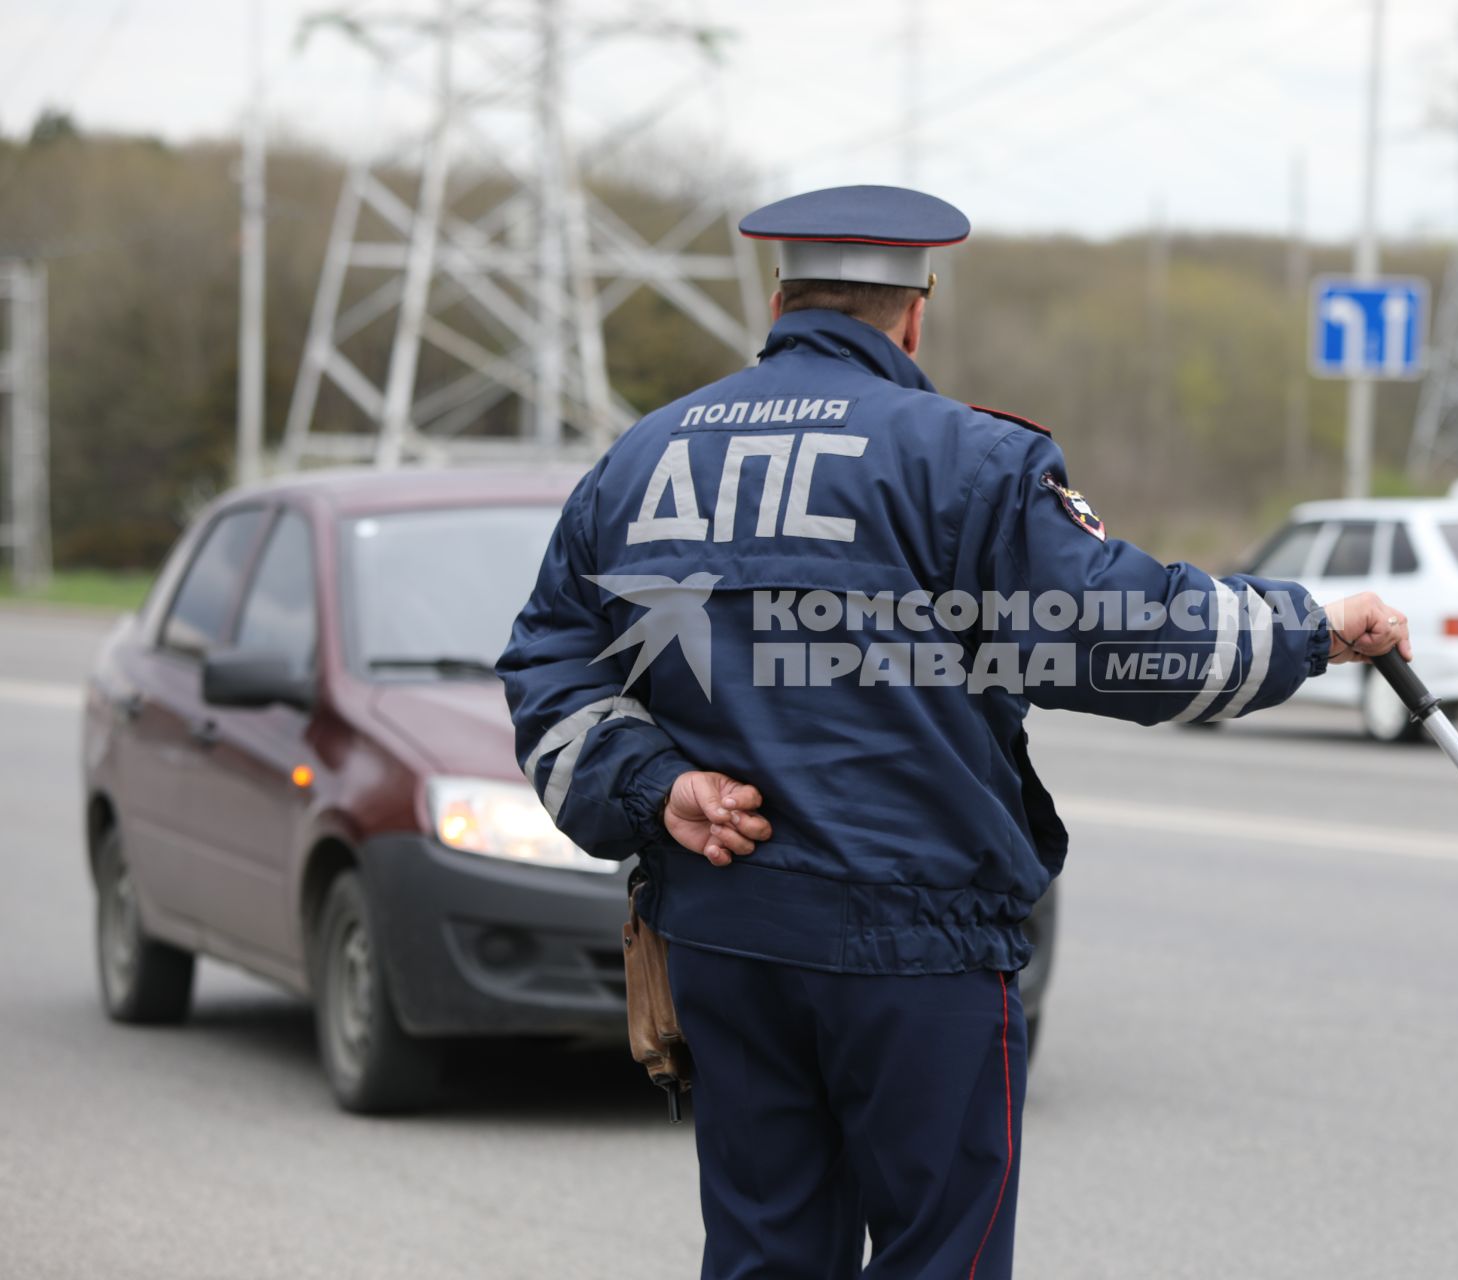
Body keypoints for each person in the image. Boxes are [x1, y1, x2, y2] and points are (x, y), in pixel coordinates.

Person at [497, 184, 1411, 1279]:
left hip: (724, 928)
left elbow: (547, 661)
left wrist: (656, 786)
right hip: (915, 937)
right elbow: (1126, 640)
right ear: (915, 310)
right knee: (944, 1254)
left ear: (778, 296)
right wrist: (1311, 626)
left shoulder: (643, 456)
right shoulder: (966, 461)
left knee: (763, 1251)